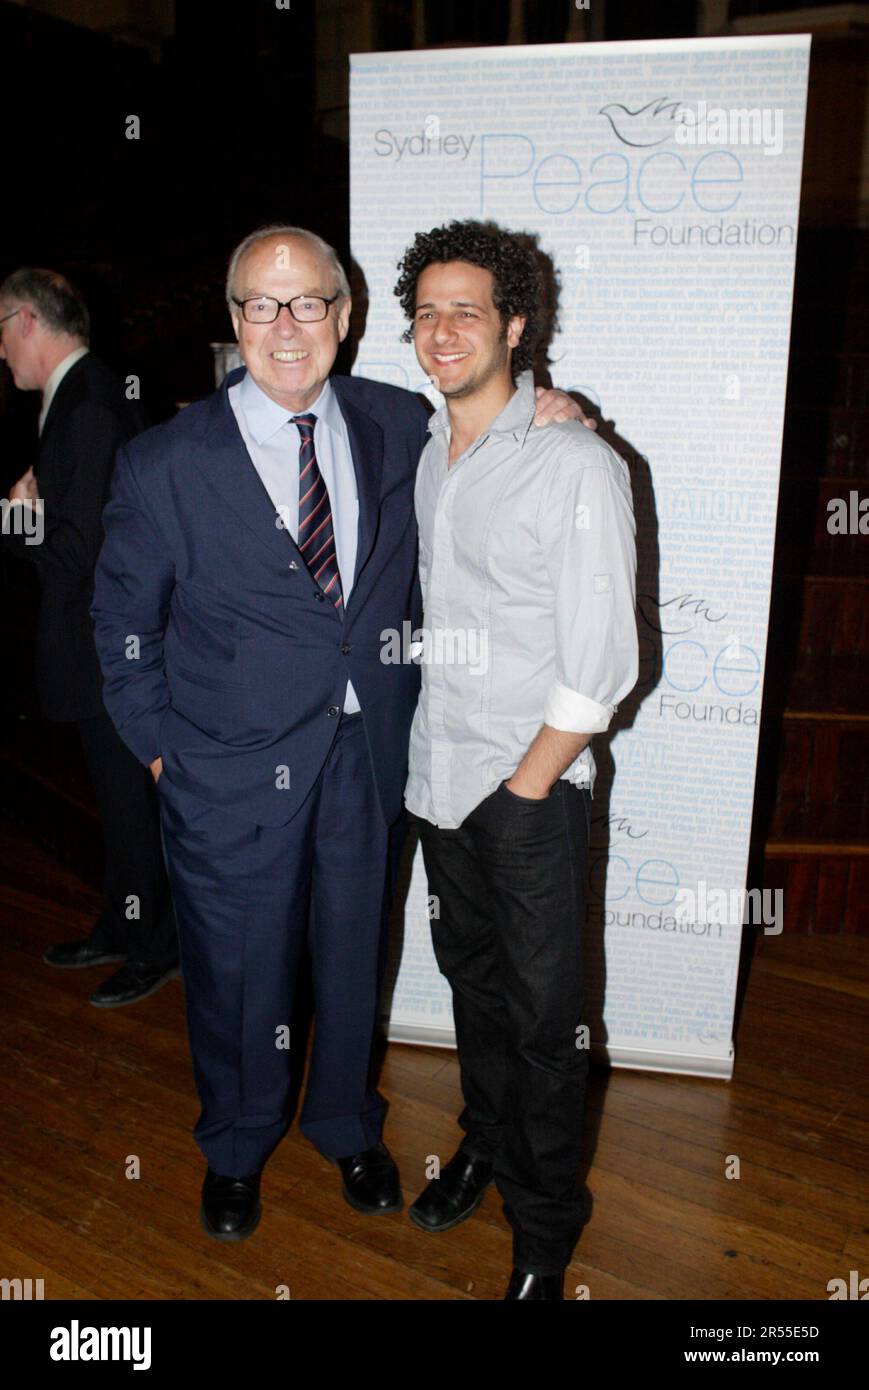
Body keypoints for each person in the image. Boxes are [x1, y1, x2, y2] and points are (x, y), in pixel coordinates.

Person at [90, 224, 585, 1243]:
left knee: (354, 956)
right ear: (233, 320)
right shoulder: (162, 463)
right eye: (261, 305)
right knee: (235, 972)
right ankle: (234, 1143)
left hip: (368, 762)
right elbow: (122, 638)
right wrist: (167, 759)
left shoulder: (398, 420)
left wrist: (551, 407)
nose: (285, 326)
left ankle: (344, 1122)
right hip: (225, 777)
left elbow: (492, 432)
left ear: (345, 316)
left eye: (307, 301)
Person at [395, 220, 639, 1299]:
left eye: (467, 310)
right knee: (473, 991)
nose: (442, 331)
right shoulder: (426, 453)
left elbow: (603, 662)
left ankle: (544, 1226)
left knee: (546, 1024)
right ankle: (484, 1143)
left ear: (515, 325)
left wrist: (527, 783)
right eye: (426, 311)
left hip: (526, 797)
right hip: (436, 781)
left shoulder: (574, 459)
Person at [0, 268, 179, 1006]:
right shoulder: (81, 396)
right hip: (104, 647)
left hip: (110, 652)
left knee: (132, 807)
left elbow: (78, 553)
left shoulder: (88, 407)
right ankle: (121, 923)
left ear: (27, 321)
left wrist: (13, 518)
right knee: (120, 803)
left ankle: (155, 946)